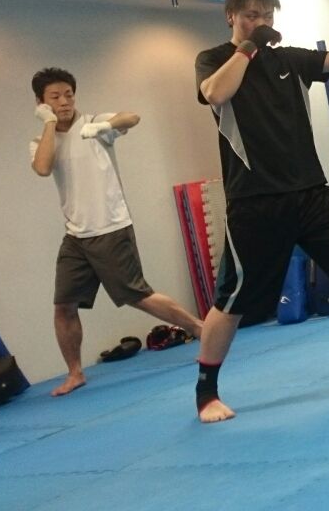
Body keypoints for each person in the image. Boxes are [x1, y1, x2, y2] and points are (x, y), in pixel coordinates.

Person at [193, 0, 329, 424]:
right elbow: (215, 93)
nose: (261, 22)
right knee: (234, 299)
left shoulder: (288, 58)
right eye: (251, 15)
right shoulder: (213, 60)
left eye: (267, 15)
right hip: (254, 201)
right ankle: (206, 391)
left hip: (309, 192)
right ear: (231, 16)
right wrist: (249, 46)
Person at [29, 68, 204, 397]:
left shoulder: (93, 123)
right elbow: (42, 167)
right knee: (63, 305)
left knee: (137, 296)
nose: (64, 101)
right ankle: (75, 373)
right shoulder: (43, 142)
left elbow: (131, 117)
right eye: (55, 97)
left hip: (110, 226)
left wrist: (105, 127)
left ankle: (200, 329)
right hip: (75, 236)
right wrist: (49, 122)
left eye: (68, 94)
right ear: (41, 102)